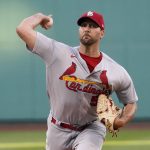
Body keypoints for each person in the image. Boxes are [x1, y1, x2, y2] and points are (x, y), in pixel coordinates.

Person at [16, 11, 138, 150]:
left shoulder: (116, 71)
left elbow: (130, 102)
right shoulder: (57, 53)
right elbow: (22, 29)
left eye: (92, 26)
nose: (86, 28)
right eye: (83, 25)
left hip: (91, 128)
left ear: (102, 33)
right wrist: (40, 17)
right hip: (57, 128)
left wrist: (122, 120)